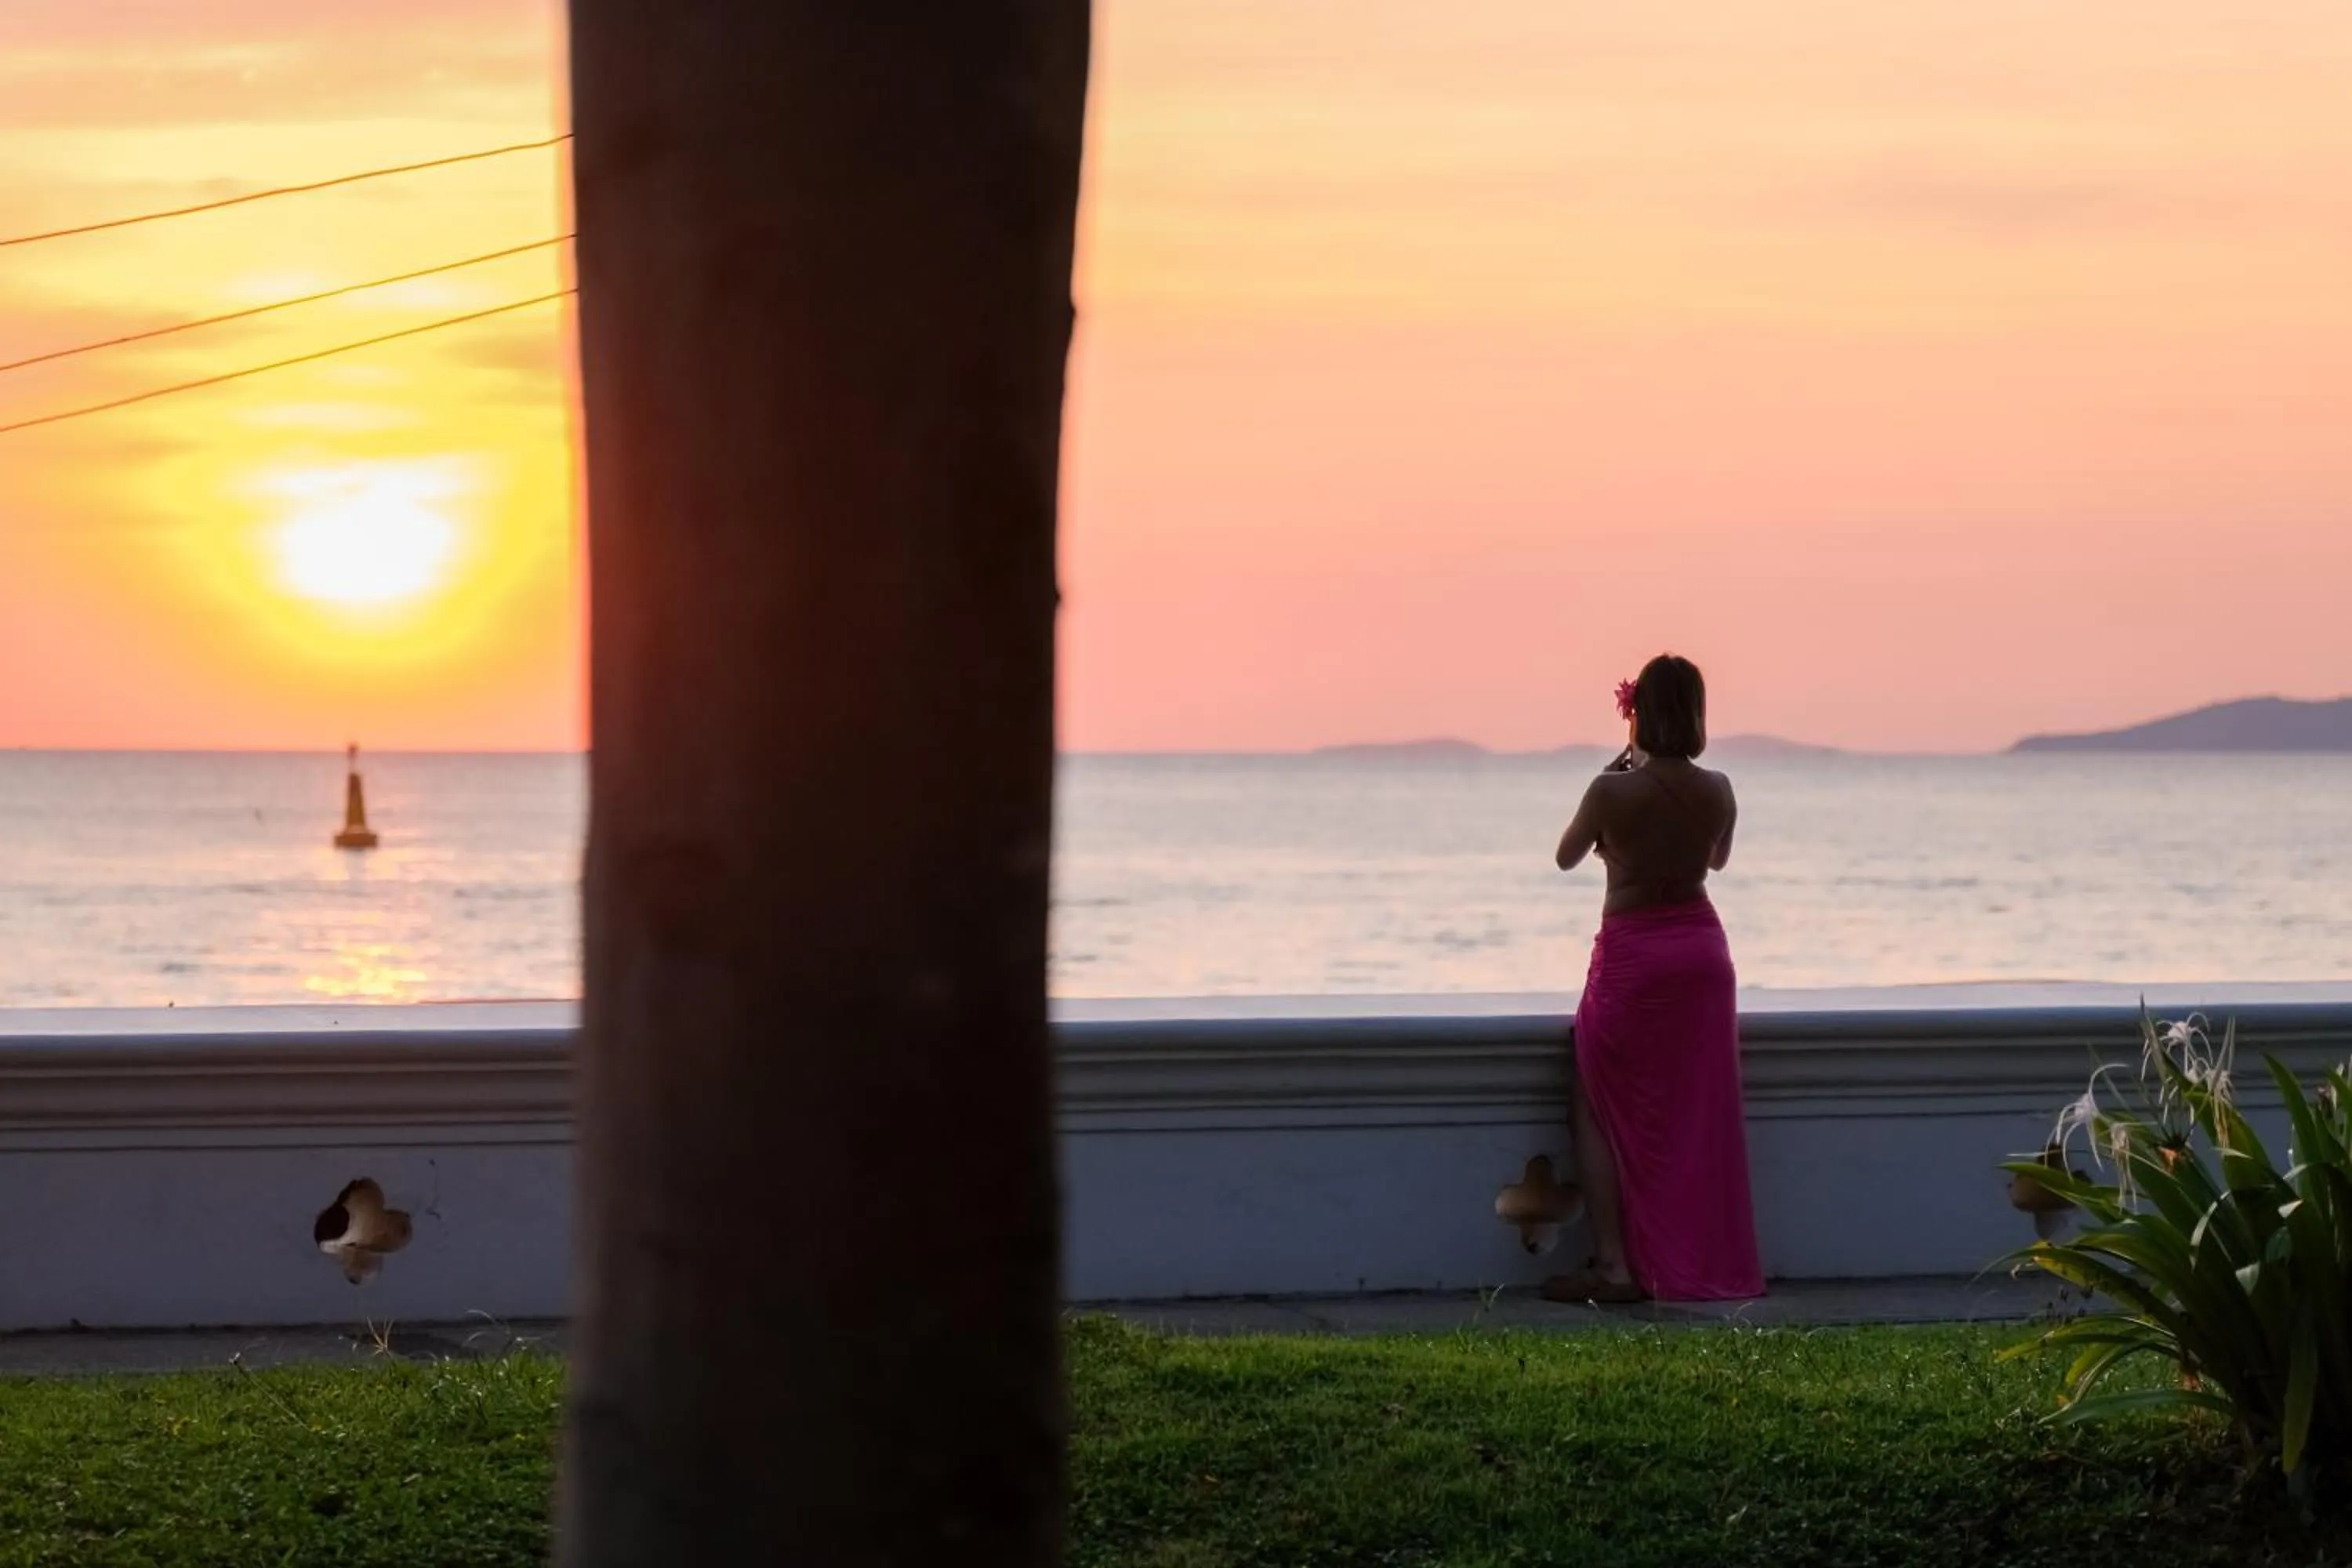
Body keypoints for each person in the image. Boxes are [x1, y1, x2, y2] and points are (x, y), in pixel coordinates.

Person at [1545, 654, 1763, 1303]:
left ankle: (1613, 1264)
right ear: (1696, 713)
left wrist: (1619, 782)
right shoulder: (1719, 787)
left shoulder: (1610, 790)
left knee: (1596, 1102)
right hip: (1702, 955)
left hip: (1636, 958)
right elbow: (1717, 860)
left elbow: (1565, 857)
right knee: (1694, 1114)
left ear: (1636, 712)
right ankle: (1692, 1256)